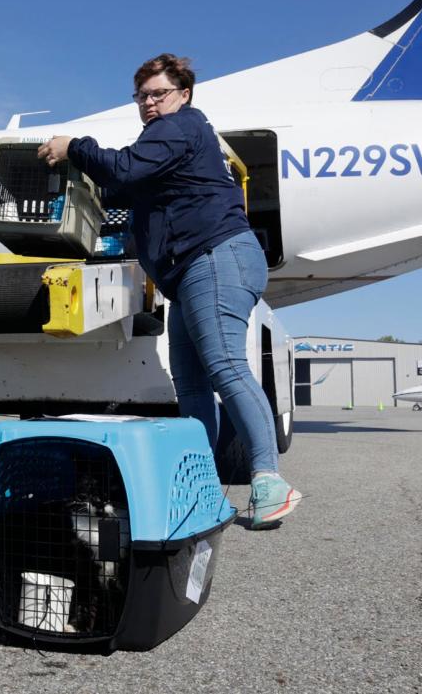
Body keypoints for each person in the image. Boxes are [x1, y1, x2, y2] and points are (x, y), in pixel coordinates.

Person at [37, 54, 300, 529]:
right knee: (192, 384)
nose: (149, 103)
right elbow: (123, 187)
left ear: (184, 94)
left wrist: (74, 146)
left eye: (158, 93)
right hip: (187, 273)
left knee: (224, 366)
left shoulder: (180, 127)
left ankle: (269, 480)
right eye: (142, 96)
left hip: (214, 256)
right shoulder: (163, 142)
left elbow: (123, 169)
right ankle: (202, 485)